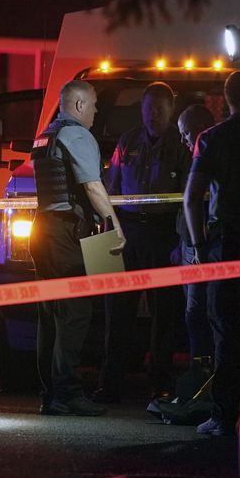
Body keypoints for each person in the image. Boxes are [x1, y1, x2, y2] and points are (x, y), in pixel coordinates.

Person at [30, 80, 125, 416]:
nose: (97, 111)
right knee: (75, 312)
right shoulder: (77, 136)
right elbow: (93, 186)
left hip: (42, 231)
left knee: (50, 315)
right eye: (95, 104)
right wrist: (114, 224)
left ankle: (50, 395)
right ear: (80, 105)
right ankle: (68, 393)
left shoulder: (46, 134)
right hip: (65, 233)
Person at [94, 82, 191, 403]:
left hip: (163, 233)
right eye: (148, 108)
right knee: (117, 311)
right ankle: (110, 383)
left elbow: (187, 200)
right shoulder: (129, 140)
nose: (152, 114)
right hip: (130, 231)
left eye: (159, 109)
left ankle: (160, 383)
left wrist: (181, 242)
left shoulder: (181, 144)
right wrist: (109, 234)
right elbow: (113, 189)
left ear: (171, 110)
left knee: (164, 313)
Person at [185, 70, 240, 437]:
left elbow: (192, 198)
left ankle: (223, 417)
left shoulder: (212, 139)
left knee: (226, 330)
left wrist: (199, 248)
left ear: (228, 98)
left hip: (227, 242)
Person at [176, 104, 216, 366]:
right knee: (194, 312)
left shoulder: (209, 154)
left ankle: (203, 372)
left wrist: (198, 248)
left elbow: (192, 202)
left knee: (199, 311)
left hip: (204, 245)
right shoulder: (190, 157)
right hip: (189, 244)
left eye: (187, 133)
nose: (184, 140)